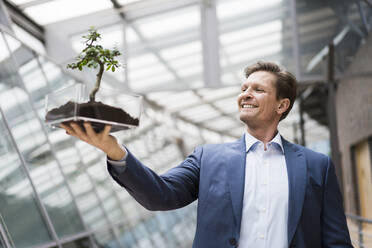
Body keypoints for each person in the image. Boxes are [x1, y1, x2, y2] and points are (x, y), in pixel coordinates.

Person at [61, 61, 353, 248]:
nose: (246, 94)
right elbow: (159, 195)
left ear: (281, 105)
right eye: (244, 88)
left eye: (259, 89)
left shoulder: (317, 165)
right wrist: (114, 150)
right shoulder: (208, 158)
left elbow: (336, 240)